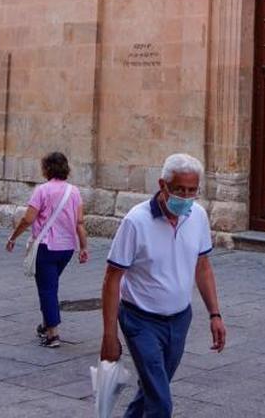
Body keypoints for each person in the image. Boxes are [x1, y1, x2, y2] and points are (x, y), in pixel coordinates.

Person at [100, 153, 226, 417]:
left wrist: (215, 314)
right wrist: (109, 336)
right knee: (161, 402)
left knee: (152, 389)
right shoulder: (136, 221)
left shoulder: (198, 216)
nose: (186, 196)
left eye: (193, 190)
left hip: (180, 320)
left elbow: (202, 266)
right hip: (140, 320)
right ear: (163, 185)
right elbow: (113, 277)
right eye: (180, 189)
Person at [5, 152, 89, 348]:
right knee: (50, 285)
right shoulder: (74, 191)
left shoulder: (42, 191)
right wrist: (83, 247)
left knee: (47, 289)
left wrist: (12, 237)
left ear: (47, 169)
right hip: (67, 248)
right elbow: (80, 223)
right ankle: (45, 324)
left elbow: (28, 219)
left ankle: (53, 334)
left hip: (46, 247)